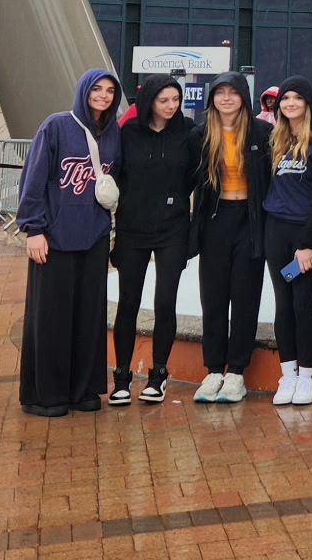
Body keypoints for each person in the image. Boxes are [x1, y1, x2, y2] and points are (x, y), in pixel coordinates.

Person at [17, 69, 122, 417]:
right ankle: (46, 395)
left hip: (92, 237)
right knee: (50, 318)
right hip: (54, 239)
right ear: (83, 90)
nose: (103, 96)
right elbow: (33, 180)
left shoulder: (112, 133)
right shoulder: (56, 126)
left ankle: (84, 390)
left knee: (89, 317)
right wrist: (33, 229)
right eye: (97, 89)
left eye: (110, 91)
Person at [109, 75, 194, 406]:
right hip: (132, 228)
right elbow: (116, 175)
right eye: (164, 100)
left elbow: (193, 176)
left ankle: (158, 375)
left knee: (165, 302)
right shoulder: (128, 133)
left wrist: (172, 201)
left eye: (175, 99)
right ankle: (121, 376)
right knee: (128, 303)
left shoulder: (187, 132)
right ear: (149, 102)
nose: (171, 106)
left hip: (173, 229)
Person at [189, 73, 272, 405]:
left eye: (232, 92)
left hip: (249, 221)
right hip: (215, 220)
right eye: (220, 93)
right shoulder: (200, 135)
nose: (226, 98)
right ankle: (213, 369)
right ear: (212, 99)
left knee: (245, 296)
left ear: (243, 98)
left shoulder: (261, 133)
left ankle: (236, 371)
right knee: (213, 297)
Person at [260, 76, 312, 406]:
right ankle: (287, 374)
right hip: (276, 232)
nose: (290, 103)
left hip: (308, 237)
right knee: (283, 302)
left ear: (307, 103)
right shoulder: (275, 140)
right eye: (285, 98)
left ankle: (306, 376)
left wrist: (306, 243)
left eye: (297, 98)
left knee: (302, 303)